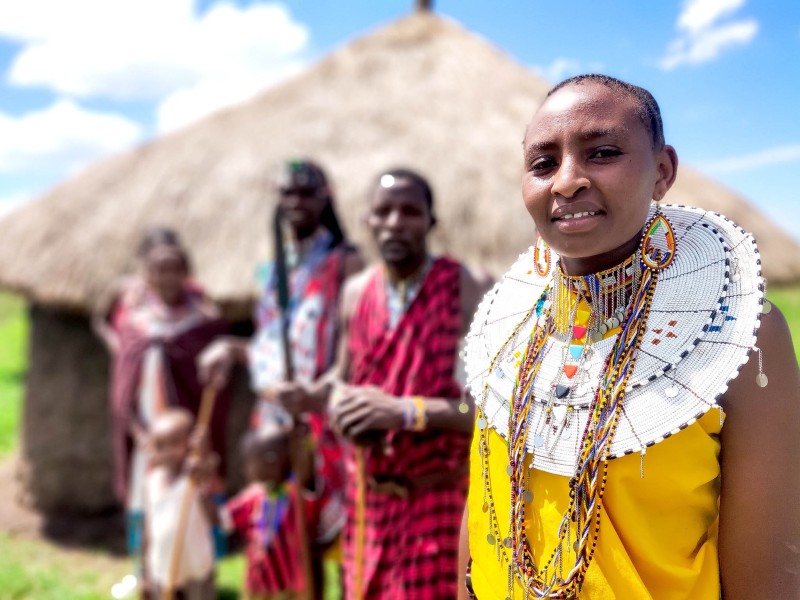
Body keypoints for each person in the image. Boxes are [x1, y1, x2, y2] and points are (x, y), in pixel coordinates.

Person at [458, 74, 800, 599]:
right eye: (543, 163)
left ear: (662, 172)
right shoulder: (505, 332)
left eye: (603, 152)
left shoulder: (738, 333)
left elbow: (770, 576)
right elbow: (482, 520)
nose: (566, 181)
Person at [276, 168, 491, 599]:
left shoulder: (468, 287)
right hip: (369, 502)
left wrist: (404, 412)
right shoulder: (356, 292)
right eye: (383, 211)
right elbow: (341, 379)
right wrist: (313, 396)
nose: (395, 222)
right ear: (367, 221)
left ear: (431, 222)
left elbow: (492, 412)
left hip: (440, 496)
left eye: (410, 211)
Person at [199, 160, 363, 592]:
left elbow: (357, 342)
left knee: (334, 532)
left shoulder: (345, 263)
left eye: (305, 192)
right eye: (286, 193)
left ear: (325, 197)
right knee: (285, 534)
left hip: (323, 415)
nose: (295, 201)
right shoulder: (273, 269)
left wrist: (318, 392)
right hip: (273, 419)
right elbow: (269, 340)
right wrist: (232, 349)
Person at [96, 229, 227, 564]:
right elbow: (122, 390)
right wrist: (140, 434)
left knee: (193, 499)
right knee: (147, 499)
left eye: (174, 268)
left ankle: (195, 574)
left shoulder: (204, 325)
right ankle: (148, 575)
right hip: (148, 438)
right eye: (159, 270)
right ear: (147, 276)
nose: (167, 277)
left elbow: (215, 391)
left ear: (187, 274)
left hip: (187, 440)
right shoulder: (135, 325)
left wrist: (200, 437)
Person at [219, 423, 320, 600]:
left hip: (290, 579)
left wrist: (305, 443)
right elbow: (222, 519)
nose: (246, 470)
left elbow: (306, 466)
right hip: (259, 579)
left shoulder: (294, 491)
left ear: (270, 461)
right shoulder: (252, 496)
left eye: (249, 462)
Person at [142, 408, 217, 600]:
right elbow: (148, 529)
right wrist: (146, 573)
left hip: (196, 570)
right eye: (159, 445)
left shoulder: (193, 480)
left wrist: (204, 450)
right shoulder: (151, 482)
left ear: (190, 443)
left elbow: (214, 517)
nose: (167, 452)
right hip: (162, 569)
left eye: (175, 443)